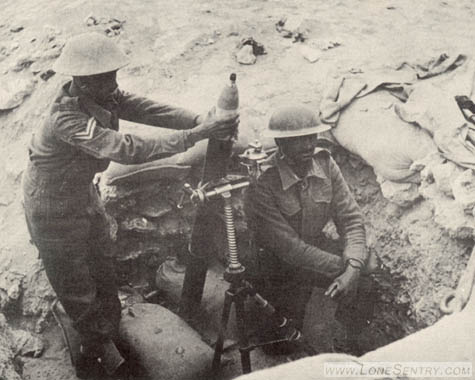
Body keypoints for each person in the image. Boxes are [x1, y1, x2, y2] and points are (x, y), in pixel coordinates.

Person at [22, 32, 238, 379]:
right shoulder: (66, 118)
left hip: (82, 195)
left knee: (104, 269)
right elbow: (126, 149)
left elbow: (146, 108)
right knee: (77, 286)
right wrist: (195, 136)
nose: (113, 83)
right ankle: (96, 361)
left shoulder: (103, 94)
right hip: (52, 206)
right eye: (103, 77)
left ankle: (110, 339)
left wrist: (197, 120)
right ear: (80, 81)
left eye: (113, 75)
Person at [244, 104, 376, 355]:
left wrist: (354, 265)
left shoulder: (325, 164)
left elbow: (351, 219)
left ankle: (352, 342)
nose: (307, 146)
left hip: (314, 250)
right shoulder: (262, 182)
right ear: (281, 144)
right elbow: (290, 250)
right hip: (276, 268)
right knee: (281, 344)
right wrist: (344, 270)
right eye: (297, 140)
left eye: (311, 138)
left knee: (367, 273)